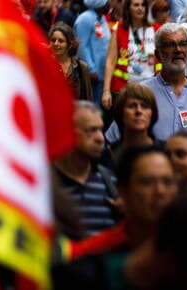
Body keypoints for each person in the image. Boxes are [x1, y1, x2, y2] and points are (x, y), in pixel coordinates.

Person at [53, 146, 178, 288]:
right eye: (146, 182)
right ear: (122, 191)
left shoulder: (184, 248)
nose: (160, 191)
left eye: (168, 182)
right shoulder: (93, 255)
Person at [106, 23, 187, 142]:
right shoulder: (141, 93)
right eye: (169, 45)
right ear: (158, 55)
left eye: (183, 44)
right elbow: (112, 140)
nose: (178, 50)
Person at [53, 101, 118, 237]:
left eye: (100, 129)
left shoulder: (111, 184)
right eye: (91, 130)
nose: (100, 138)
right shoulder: (45, 187)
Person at [102, 0, 159, 109]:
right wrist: (106, 91)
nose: (140, 8)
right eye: (136, 5)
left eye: (143, 5)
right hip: (124, 88)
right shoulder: (119, 29)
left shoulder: (156, 29)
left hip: (151, 88)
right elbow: (111, 60)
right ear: (128, 8)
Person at [105, 83, 162, 165]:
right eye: (132, 106)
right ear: (121, 112)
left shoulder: (164, 153)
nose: (139, 111)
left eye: (145, 106)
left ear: (153, 113)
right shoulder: (108, 154)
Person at [75, 0, 111, 105]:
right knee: (95, 107)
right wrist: (91, 69)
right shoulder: (85, 19)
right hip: (94, 75)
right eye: (106, 2)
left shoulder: (101, 18)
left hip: (103, 72)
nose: (109, 4)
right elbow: (82, 46)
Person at [50, 22, 94, 101]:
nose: (56, 43)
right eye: (53, 40)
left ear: (70, 44)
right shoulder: (46, 65)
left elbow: (88, 100)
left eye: (61, 41)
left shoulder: (81, 67)